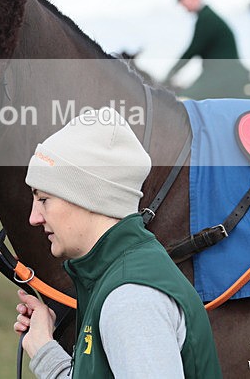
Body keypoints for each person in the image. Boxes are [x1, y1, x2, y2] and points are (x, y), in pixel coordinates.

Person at [13, 107, 221, 378]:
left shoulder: (130, 299)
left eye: (43, 199)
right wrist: (45, 349)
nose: (33, 218)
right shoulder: (118, 274)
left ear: (87, 197)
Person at [166, 0, 250, 99]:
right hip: (218, 75)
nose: (182, 4)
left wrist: (170, 74)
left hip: (223, 76)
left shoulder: (207, 19)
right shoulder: (206, 16)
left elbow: (192, 51)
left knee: (184, 100)